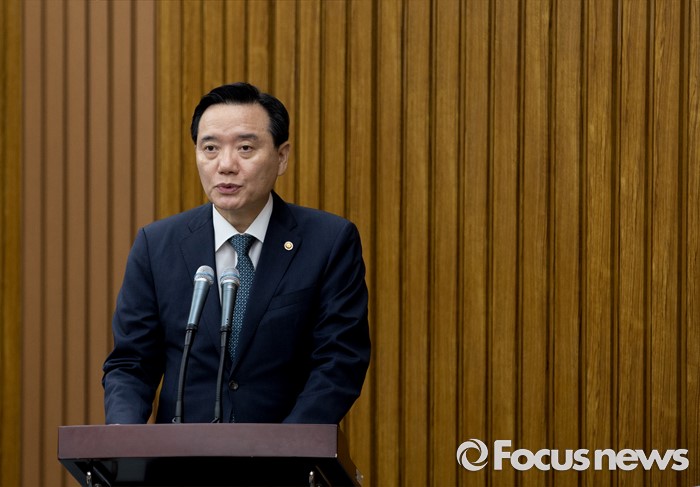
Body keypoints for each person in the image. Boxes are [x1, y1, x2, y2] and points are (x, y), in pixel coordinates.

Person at [102, 82, 371, 424]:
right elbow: (131, 364)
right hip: (182, 453)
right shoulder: (156, 245)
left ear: (282, 156)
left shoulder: (328, 241)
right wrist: (124, 440)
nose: (226, 165)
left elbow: (339, 360)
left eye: (245, 148)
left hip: (285, 451)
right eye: (210, 148)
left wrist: (286, 446)